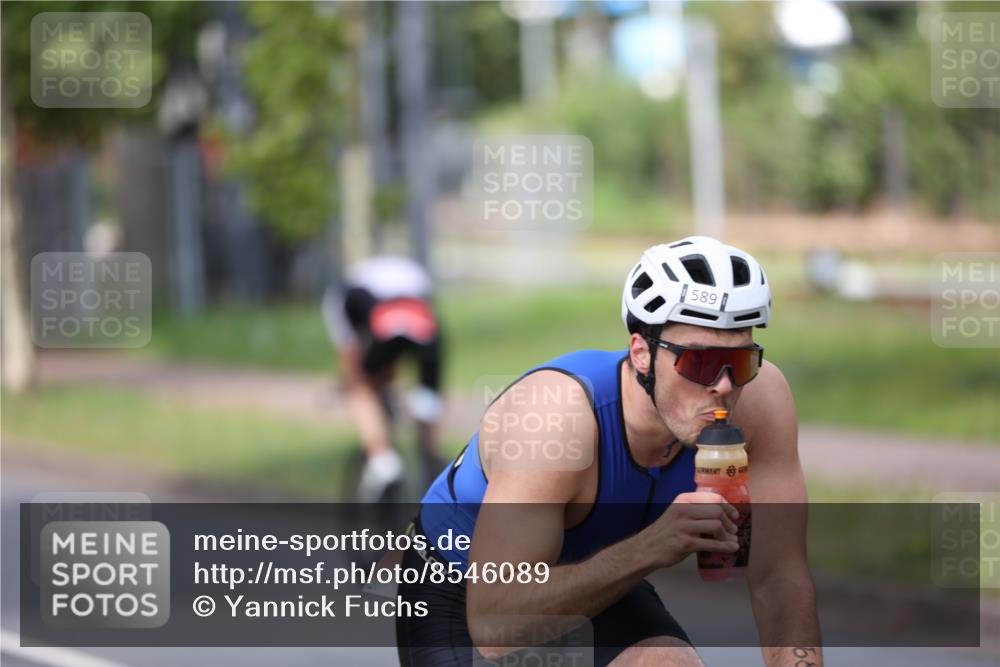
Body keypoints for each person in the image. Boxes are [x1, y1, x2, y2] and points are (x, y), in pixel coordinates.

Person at [396, 237, 822, 666]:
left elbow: (779, 577)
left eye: (742, 362)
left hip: (596, 567)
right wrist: (652, 546)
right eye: (700, 363)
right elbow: (495, 627)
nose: (724, 385)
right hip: (466, 584)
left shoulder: (761, 403)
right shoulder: (556, 418)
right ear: (641, 354)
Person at [322, 255, 445, 502]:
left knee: (359, 389)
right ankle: (433, 462)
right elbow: (414, 327)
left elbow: (351, 353)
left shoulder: (338, 296)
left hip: (385, 330)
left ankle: (382, 461)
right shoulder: (412, 274)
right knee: (427, 398)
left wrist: (347, 384)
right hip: (428, 335)